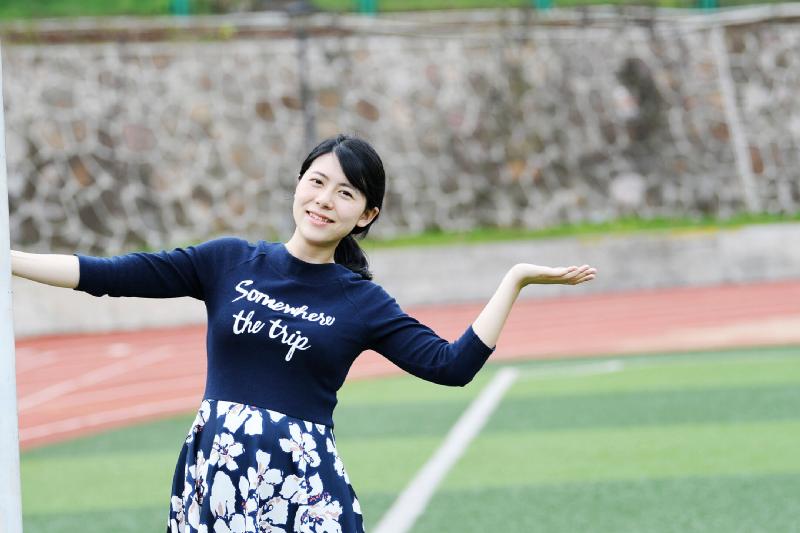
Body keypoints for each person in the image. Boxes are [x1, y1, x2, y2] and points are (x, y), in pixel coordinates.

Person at [11, 133, 597, 533]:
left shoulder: (361, 301)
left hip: (300, 483)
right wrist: (9, 260)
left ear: (366, 215)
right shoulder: (227, 261)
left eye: (345, 192)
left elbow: (451, 366)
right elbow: (108, 275)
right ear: (297, 184)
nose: (324, 200)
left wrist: (514, 280)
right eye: (317, 182)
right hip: (216, 471)